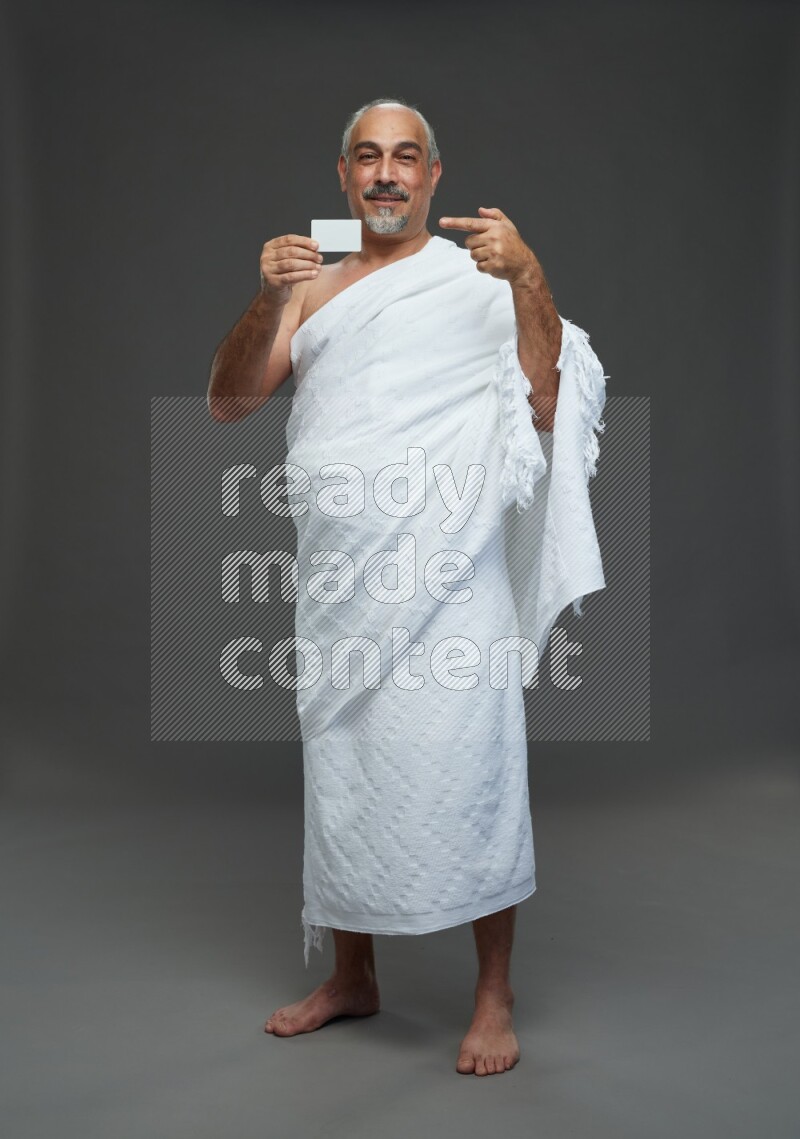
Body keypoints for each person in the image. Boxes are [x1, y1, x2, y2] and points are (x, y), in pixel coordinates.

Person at [207, 97, 608, 1077]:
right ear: (342, 175)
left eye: (404, 157)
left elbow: (548, 398)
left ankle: (492, 991)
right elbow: (228, 400)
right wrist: (265, 296)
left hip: (450, 570)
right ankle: (352, 975)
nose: (385, 173)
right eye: (365, 158)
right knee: (345, 771)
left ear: (433, 175)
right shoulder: (308, 280)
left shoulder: (479, 279)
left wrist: (530, 276)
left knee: (468, 765)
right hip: (344, 575)